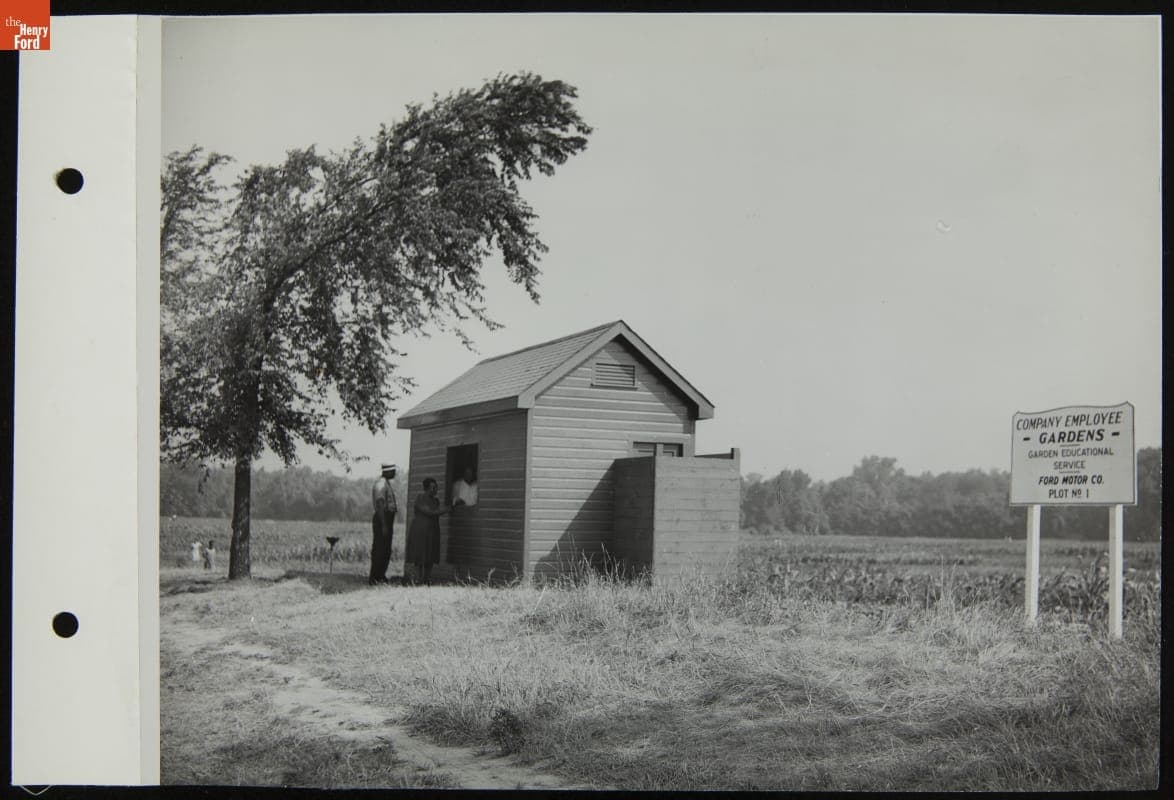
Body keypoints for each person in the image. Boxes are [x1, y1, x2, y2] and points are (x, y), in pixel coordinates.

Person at [404, 477, 449, 585]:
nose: (435, 490)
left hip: (432, 530)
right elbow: (429, 512)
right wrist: (446, 510)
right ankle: (419, 579)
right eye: (432, 487)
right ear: (426, 488)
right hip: (420, 530)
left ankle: (427, 579)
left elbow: (435, 511)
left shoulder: (436, 501)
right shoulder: (420, 498)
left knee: (431, 554)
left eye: (436, 487)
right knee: (420, 554)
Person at [368, 463, 399, 585]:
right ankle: (375, 577)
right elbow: (380, 504)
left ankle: (381, 576)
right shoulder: (381, 484)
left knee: (385, 549)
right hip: (383, 518)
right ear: (387, 471)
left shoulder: (386, 483)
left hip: (387, 518)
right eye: (393, 471)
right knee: (380, 548)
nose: (395, 473)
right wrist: (384, 524)